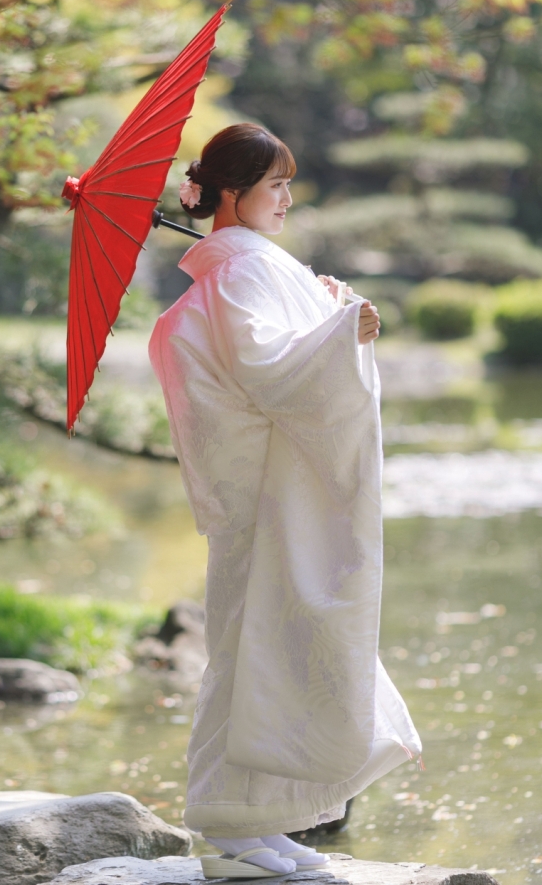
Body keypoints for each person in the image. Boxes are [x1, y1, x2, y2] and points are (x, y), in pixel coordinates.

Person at [149, 123, 421, 880]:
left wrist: (332, 316)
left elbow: (281, 352)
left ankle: (251, 821)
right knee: (252, 649)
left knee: (262, 648)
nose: (288, 199)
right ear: (230, 195)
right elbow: (271, 374)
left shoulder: (245, 268)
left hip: (275, 492)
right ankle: (231, 830)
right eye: (275, 185)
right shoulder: (239, 274)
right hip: (271, 496)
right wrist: (339, 333)